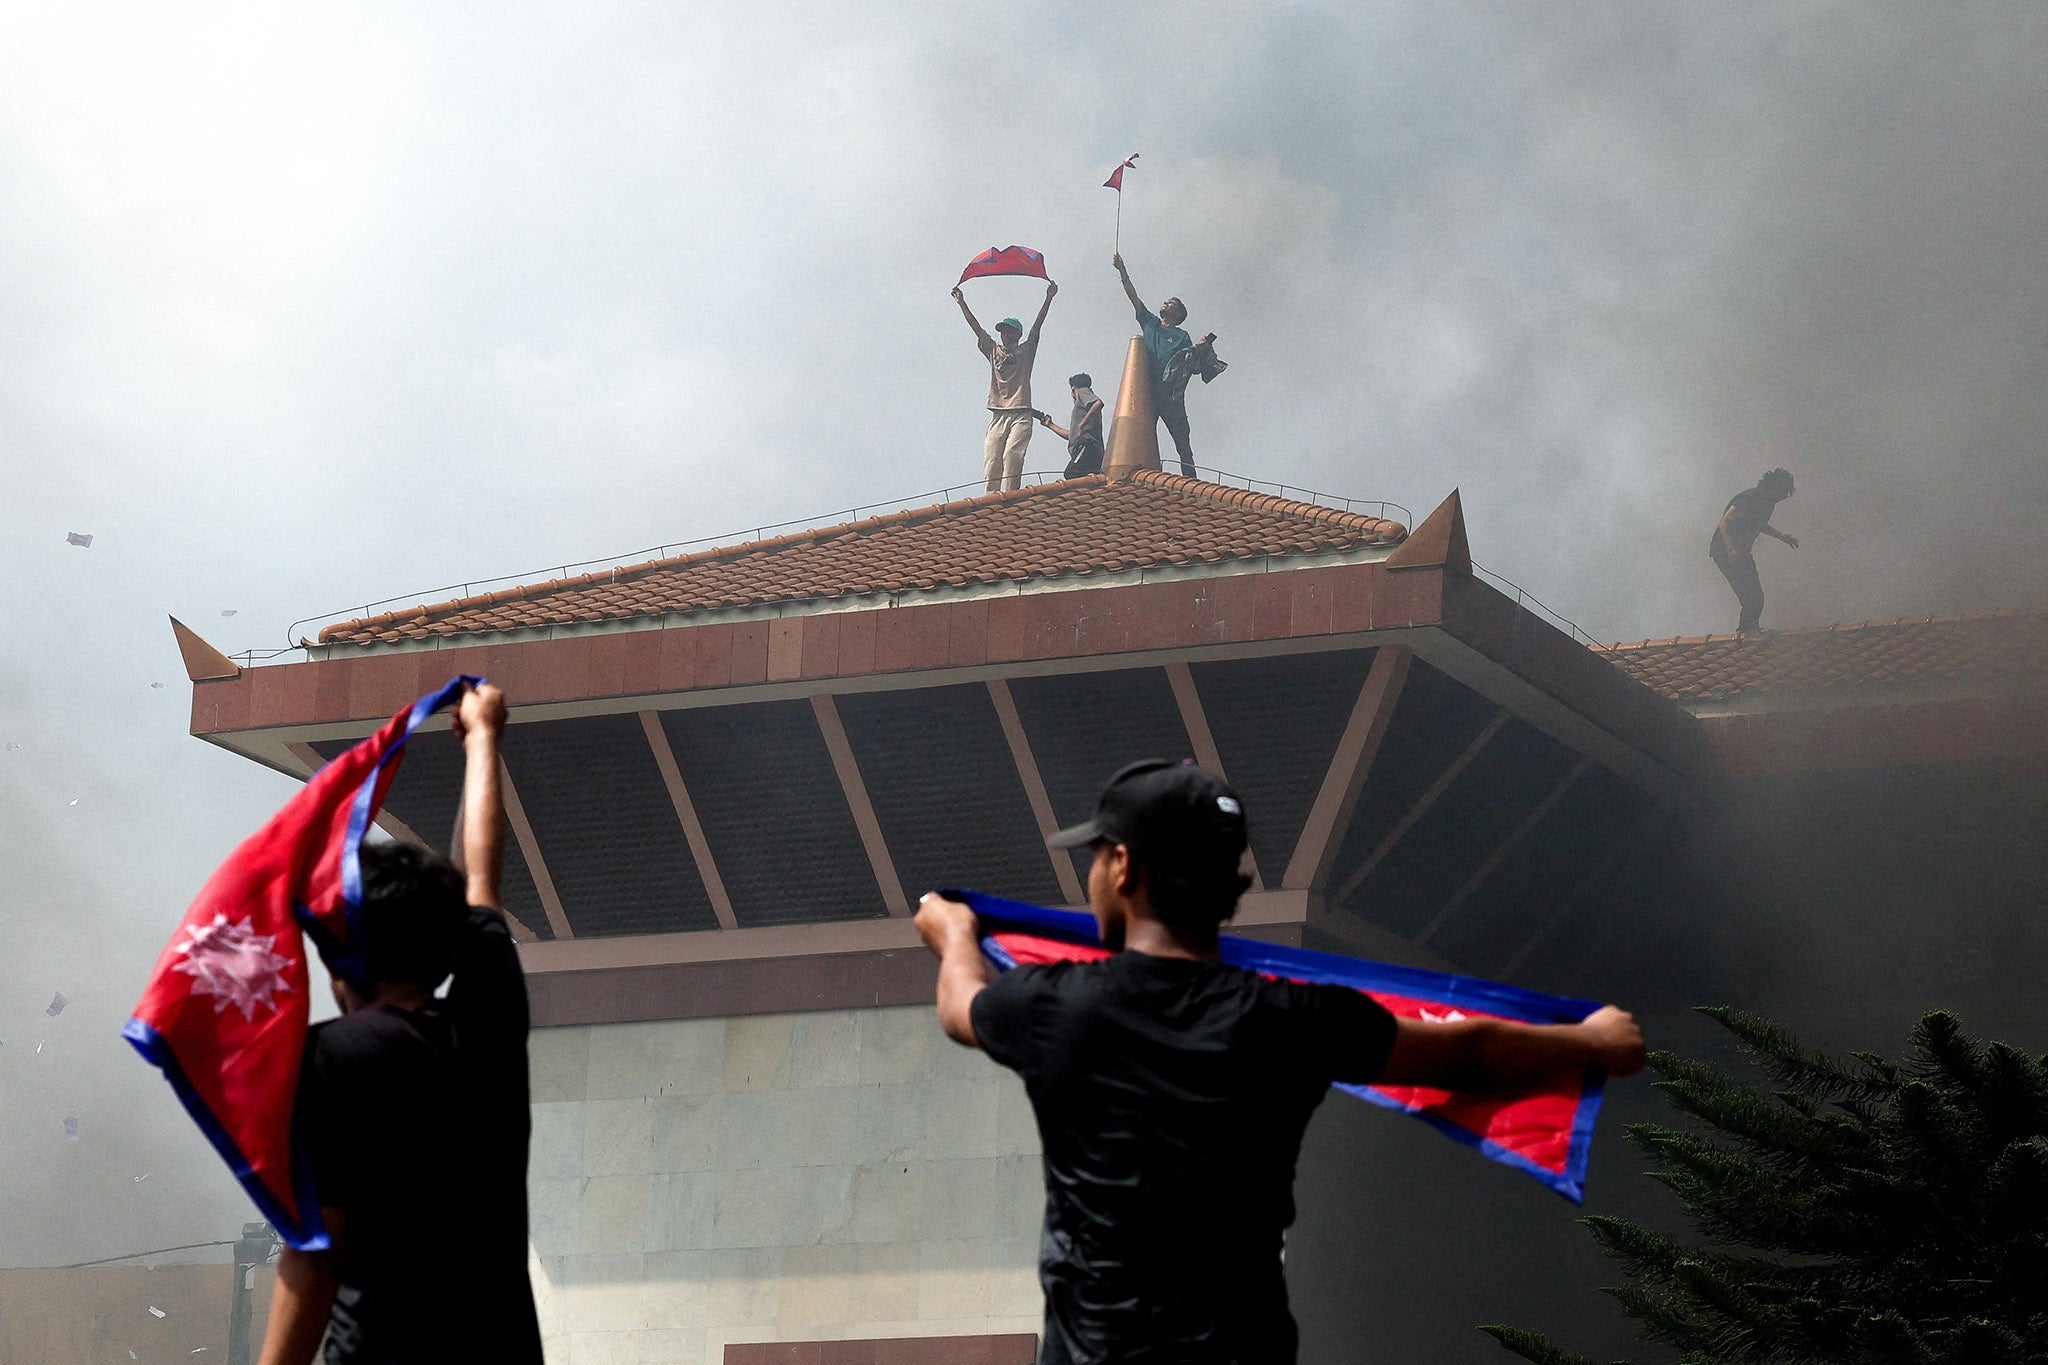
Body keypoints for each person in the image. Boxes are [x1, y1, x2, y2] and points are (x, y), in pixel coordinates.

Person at [914, 759, 1647, 1365]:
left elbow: (961, 1006)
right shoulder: (1292, 1018)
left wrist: (953, 933)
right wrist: (1592, 1039)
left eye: (1097, 855)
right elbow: (1465, 1051)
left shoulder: (1057, 1006)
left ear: (1125, 865)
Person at [259, 682, 541, 1365]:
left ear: (337, 964)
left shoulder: (326, 1060)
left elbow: (315, 1257)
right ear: (448, 951)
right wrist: (483, 737)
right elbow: (483, 883)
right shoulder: (489, 1021)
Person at [1112, 252, 1226, 478]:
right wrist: (1122, 271)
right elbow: (1133, 297)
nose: (1165, 304)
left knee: (1182, 438)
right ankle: (1141, 475)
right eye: (1166, 302)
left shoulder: (1181, 335)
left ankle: (1191, 480)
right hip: (1146, 388)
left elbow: (1188, 361)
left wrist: (1200, 348)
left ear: (1178, 313)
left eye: (1171, 304)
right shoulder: (1150, 322)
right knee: (1141, 433)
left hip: (1169, 393)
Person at [954, 279, 1058, 492]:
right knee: (992, 459)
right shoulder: (994, 351)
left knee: (1012, 455)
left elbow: (1038, 326)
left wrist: (1048, 298)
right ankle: (990, 501)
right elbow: (976, 327)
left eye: (1010, 331)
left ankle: (1011, 497)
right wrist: (961, 302)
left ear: (1018, 334)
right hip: (998, 414)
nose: (1006, 335)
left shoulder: (1026, 351)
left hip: (1021, 413)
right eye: (1004, 331)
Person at [1709, 468, 1799, 633]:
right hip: (1726, 552)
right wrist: (1731, 550)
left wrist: (1781, 536)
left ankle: (1749, 631)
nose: (1781, 498)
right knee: (1751, 597)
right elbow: (1725, 523)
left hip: (1741, 552)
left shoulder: (1767, 504)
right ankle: (1747, 634)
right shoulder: (1749, 499)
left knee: (1756, 598)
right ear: (1773, 487)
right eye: (1782, 493)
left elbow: (1758, 524)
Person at [1035, 373, 1105, 479]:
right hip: (1091, 450)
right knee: (1086, 479)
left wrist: (1081, 425)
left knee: (1071, 474)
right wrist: (1050, 425)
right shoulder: (1083, 407)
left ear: (1073, 388)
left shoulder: (1082, 391)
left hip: (1088, 447)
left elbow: (1098, 403)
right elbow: (1072, 435)